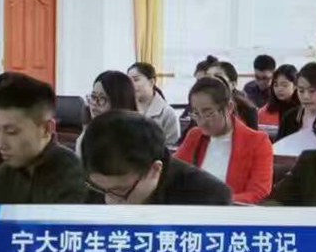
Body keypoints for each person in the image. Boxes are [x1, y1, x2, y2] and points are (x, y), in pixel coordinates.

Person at [82, 110, 231, 205]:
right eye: (100, 188)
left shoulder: (207, 197)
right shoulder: (94, 186)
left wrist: (134, 216)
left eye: (119, 190)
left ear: (155, 169)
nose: (108, 201)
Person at [0, 76, 86, 203]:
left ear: (46, 129)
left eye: (11, 132)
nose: (1, 143)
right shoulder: (2, 175)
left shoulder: (71, 175)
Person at [175, 77, 273, 204]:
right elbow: (172, 173)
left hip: (231, 212)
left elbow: (259, 192)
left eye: (209, 114)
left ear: (228, 108)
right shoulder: (195, 136)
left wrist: (216, 203)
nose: (202, 122)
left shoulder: (257, 142)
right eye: (196, 114)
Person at [274, 62, 316, 155]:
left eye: (312, 91)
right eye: (301, 91)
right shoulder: (290, 118)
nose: (306, 96)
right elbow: (277, 150)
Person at [75, 71, 138, 155]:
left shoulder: (136, 138)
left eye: (102, 98)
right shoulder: (85, 137)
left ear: (120, 101)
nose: (94, 103)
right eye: (93, 96)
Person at [128, 62, 181, 146]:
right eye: (129, 81)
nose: (131, 85)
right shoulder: (125, 109)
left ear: (151, 82)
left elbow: (171, 147)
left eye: (136, 80)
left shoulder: (167, 113)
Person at [205, 61, 259, 130]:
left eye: (218, 76)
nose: (211, 81)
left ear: (233, 84)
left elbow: (253, 135)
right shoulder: (198, 106)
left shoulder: (247, 109)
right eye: (208, 77)